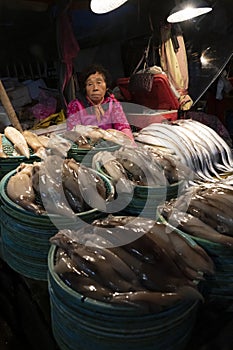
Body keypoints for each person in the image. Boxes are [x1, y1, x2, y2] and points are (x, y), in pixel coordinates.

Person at [66, 64, 134, 140]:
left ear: (107, 87)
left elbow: (122, 126)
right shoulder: (75, 105)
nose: (95, 88)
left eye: (99, 83)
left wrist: (129, 143)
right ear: (85, 89)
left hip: (111, 144)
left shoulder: (113, 104)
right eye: (90, 84)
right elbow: (73, 132)